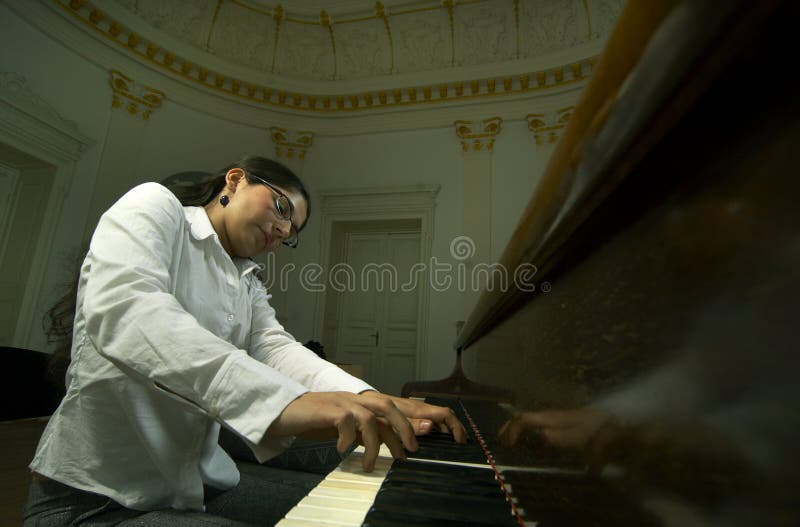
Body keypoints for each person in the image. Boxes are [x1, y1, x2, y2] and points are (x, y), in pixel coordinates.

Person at [23, 156, 466, 526]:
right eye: (281, 208)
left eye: (292, 231)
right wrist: (287, 404)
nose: (284, 231)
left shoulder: (247, 280)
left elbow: (275, 348)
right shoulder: (155, 206)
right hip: (97, 499)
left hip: (196, 486)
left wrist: (367, 397)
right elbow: (132, 315)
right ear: (235, 181)